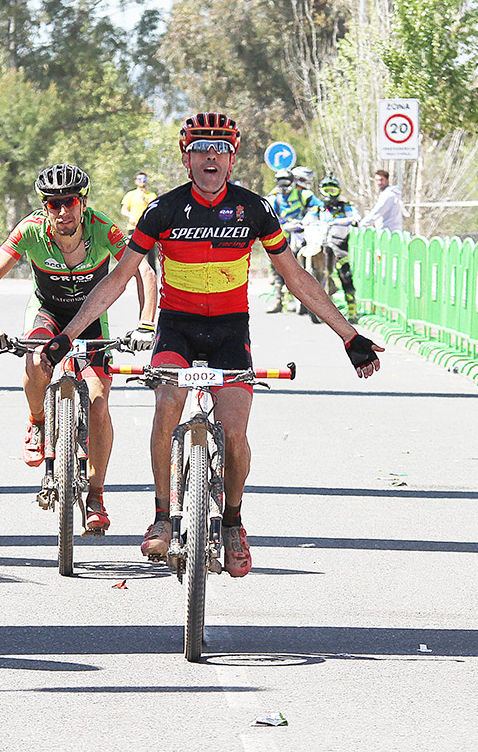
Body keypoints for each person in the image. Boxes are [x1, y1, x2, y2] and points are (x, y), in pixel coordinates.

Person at [37, 113, 384, 578]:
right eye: (201, 148)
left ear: (233, 157)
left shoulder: (254, 209)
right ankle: (162, 516)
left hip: (229, 332)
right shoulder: (161, 211)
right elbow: (118, 280)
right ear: (186, 158)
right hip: (175, 329)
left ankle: (235, 521)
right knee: (167, 408)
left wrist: (349, 335)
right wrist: (67, 335)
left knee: (236, 431)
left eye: (220, 148)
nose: (210, 157)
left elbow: (296, 276)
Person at [0, 163, 157, 531]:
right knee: (35, 359)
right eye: (53, 204)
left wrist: (145, 324)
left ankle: (96, 496)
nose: (62, 212)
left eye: (69, 202)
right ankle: (37, 422)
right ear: (45, 207)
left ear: (82, 203)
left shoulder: (103, 228)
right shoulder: (30, 230)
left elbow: (144, 273)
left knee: (99, 402)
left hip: (92, 318)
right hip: (48, 312)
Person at [264, 167, 323, 313]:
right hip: (281, 237)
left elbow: (319, 206)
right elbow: (263, 212)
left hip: (301, 233)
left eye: (286, 181)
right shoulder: (274, 197)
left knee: (307, 260)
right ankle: (279, 300)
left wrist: (309, 217)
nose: (283, 185)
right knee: (277, 268)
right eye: (280, 182)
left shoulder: (303, 194)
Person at [306, 174, 360, 321]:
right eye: (327, 190)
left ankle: (352, 308)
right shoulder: (318, 208)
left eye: (333, 190)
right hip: (320, 244)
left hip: (339, 246)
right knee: (313, 270)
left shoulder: (345, 206)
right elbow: (307, 220)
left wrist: (344, 221)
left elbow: (355, 217)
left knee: (345, 275)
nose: (330, 194)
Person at [121, 171, 158, 271]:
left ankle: (153, 280)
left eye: (144, 179)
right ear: (136, 181)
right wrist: (131, 217)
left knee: (151, 256)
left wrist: (145, 200)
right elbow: (124, 210)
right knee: (133, 256)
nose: (142, 182)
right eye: (140, 179)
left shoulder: (151, 195)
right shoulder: (131, 195)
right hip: (134, 228)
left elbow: (154, 210)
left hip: (148, 229)